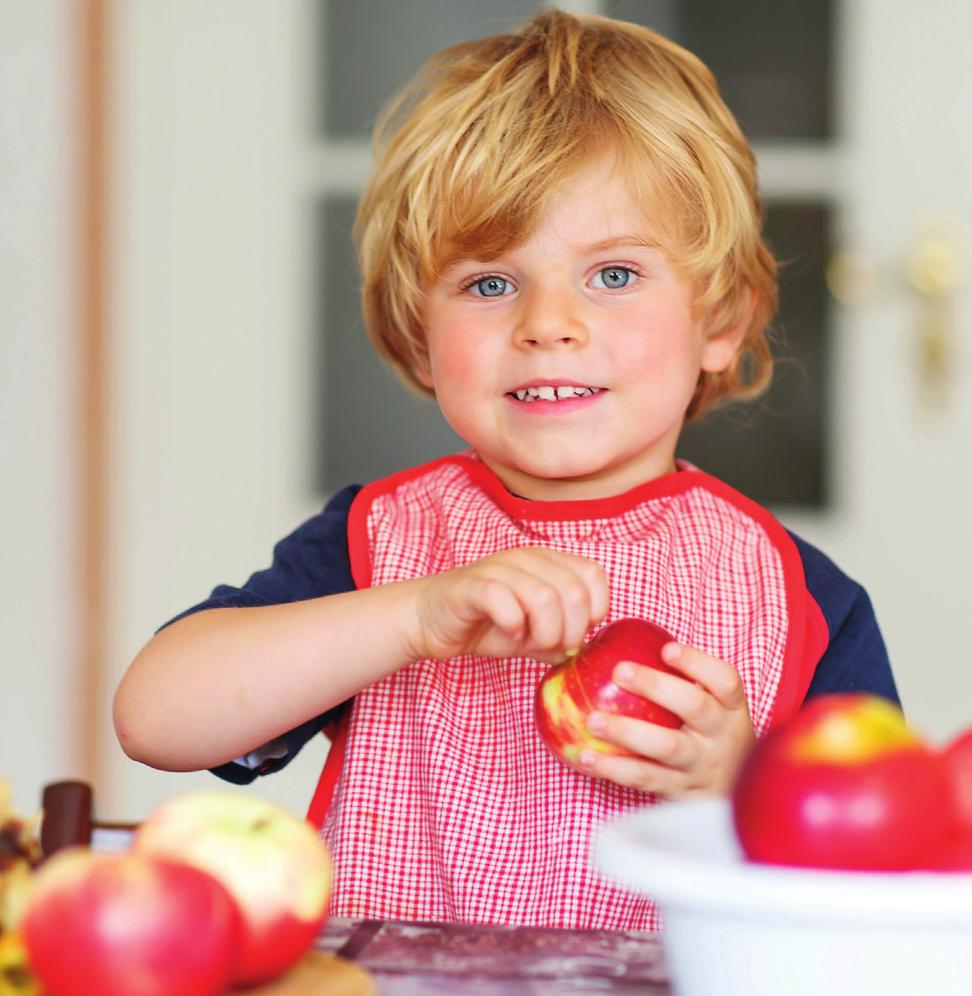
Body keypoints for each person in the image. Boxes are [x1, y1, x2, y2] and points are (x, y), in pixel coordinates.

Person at [113, 10, 898, 930]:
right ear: (418, 339)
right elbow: (155, 718)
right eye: (489, 283)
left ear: (718, 322)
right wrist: (410, 615)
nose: (546, 323)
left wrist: (730, 786)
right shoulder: (382, 542)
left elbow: (874, 868)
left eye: (613, 275)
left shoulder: (797, 591)